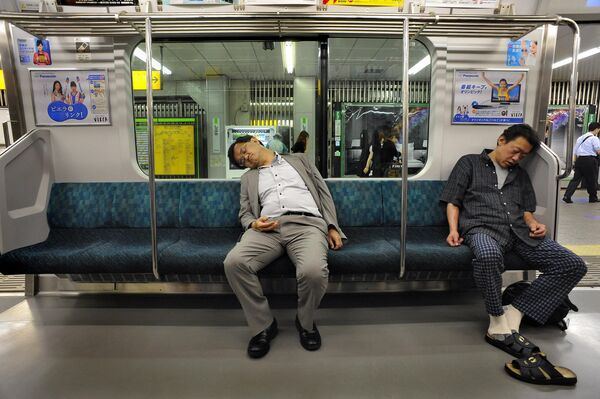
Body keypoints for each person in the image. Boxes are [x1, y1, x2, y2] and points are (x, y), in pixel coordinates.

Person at [440, 124, 587, 359]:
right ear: (501, 140)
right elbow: (453, 201)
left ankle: (516, 311)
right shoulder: (469, 163)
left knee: (573, 264)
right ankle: (497, 320)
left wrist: (534, 224)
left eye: (523, 155)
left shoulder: (520, 174)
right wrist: (453, 230)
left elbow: (526, 209)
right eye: (515, 150)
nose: (517, 158)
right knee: (488, 256)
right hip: (482, 228)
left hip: (519, 232)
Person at [224, 135, 345, 359]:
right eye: (241, 161)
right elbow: (245, 213)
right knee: (234, 263)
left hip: (307, 224)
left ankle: (306, 322)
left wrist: (332, 226)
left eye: (243, 150)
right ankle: (263, 326)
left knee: (313, 272)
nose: (245, 158)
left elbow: (323, 193)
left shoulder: (300, 160)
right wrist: (253, 223)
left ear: (254, 140)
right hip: (267, 229)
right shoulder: (249, 179)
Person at [563, 122, 600, 203]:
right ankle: (593, 197)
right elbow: (598, 151)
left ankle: (567, 196)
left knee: (575, 180)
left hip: (579, 160)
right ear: (596, 129)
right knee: (592, 179)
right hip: (590, 161)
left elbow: (575, 152)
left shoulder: (580, 138)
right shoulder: (594, 138)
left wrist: (575, 162)